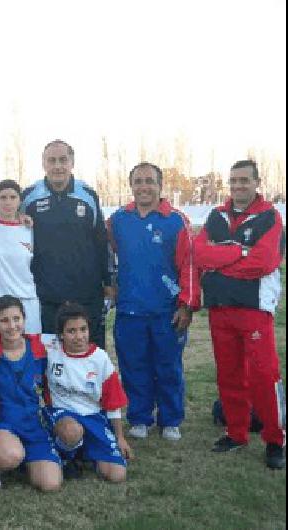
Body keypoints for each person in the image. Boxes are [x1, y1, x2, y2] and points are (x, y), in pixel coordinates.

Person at [193, 160, 286, 469]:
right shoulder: (217, 216)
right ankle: (236, 432)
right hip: (221, 309)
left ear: (257, 183)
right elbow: (200, 252)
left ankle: (275, 439)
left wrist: (223, 261)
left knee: (264, 375)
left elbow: (263, 262)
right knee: (228, 373)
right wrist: (237, 251)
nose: (238, 186)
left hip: (254, 311)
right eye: (233, 181)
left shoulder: (270, 218)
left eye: (244, 180)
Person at [107, 163, 200, 441]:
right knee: (133, 366)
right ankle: (140, 417)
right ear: (131, 185)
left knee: (168, 367)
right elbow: (104, 253)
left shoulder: (175, 220)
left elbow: (190, 265)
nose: (144, 186)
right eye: (138, 181)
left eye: (149, 181)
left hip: (166, 311)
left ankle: (170, 419)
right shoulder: (118, 220)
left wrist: (186, 304)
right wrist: (109, 285)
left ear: (160, 186)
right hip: (129, 310)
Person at [21, 140, 113, 347]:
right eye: (51, 160)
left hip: (86, 294)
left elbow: (101, 241)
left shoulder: (88, 195)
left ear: (72, 162)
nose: (57, 166)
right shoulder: (28, 197)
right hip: (44, 295)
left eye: (63, 160)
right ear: (43, 163)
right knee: (49, 359)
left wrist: (108, 282)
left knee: (90, 355)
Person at [42, 302, 133, 483]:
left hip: (93, 417)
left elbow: (112, 402)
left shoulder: (100, 358)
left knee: (117, 475)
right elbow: (17, 336)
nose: (79, 336)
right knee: (71, 431)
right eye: (71, 331)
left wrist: (120, 437)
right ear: (60, 334)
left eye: (83, 329)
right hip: (62, 415)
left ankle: (87, 453)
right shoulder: (49, 349)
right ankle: (68, 458)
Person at [0, 295, 62, 491]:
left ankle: (28, 459)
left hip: (34, 425)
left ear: (24, 319)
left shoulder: (40, 348)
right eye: (4, 320)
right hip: (2, 424)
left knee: (51, 484)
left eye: (16, 319)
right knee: (10, 455)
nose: (12, 326)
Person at [0, 180, 41, 348]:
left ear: (20, 201)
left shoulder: (29, 229)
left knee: (31, 353)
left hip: (26, 299)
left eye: (13, 197)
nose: (8, 202)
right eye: (3, 197)